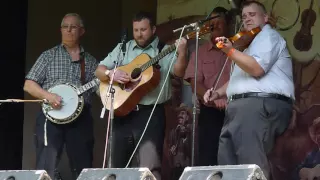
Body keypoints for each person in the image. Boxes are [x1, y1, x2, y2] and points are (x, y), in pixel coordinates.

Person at [204, 1, 294, 179]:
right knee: (227, 162)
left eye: (252, 15)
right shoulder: (246, 45)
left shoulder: (269, 36)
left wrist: (230, 51)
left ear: (265, 17)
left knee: (249, 163)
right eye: (244, 17)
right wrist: (217, 93)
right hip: (241, 107)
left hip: (259, 104)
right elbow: (238, 81)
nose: (247, 19)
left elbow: (257, 69)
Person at [95, 11, 188, 180]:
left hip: (151, 113)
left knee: (150, 167)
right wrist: (111, 74)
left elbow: (179, 73)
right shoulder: (124, 47)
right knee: (116, 166)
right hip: (122, 113)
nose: (139, 34)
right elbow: (99, 70)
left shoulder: (164, 50)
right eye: (136, 30)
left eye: (143, 29)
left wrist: (182, 52)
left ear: (153, 29)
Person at [24, 13, 98, 180]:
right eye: (65, 27)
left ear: (82, 31)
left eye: (73, 27)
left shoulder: (91, 61)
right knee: (46, 165)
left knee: (83, 167)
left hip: (81, 119)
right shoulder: (48, 56)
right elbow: (29, 84)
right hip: (50, 117)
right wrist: (48, 95)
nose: (69, 30)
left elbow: (100, 89)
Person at [184, 6, 231, 166]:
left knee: (233, 157)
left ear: (228, 25)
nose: (215, 25)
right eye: (212, 22)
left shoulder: (237, 48)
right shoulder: (199, 52)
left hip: (236, 109)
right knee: (208, 157)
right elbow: (194, 83)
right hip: (210, 110)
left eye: (220, 22)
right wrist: (210, 99)